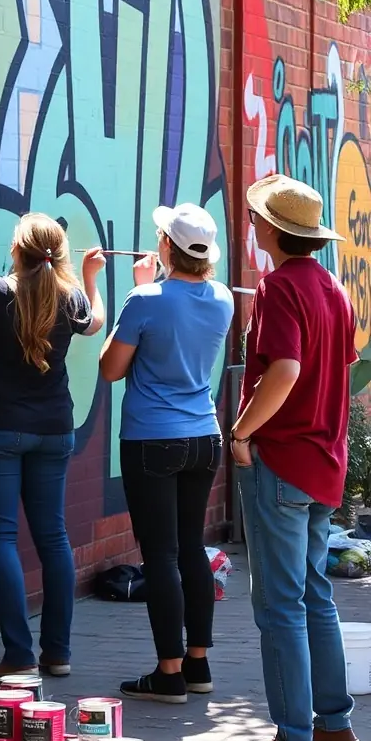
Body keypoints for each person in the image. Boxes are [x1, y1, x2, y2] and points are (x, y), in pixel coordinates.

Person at [231, 174, 361, 741]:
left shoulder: (279, 287)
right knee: (314, 597)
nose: (252, 224)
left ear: (274, 230)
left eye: (258, 217)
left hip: (283, 462)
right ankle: (333, 727)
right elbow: (338, 369)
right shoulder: (335, 288)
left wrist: (242, 432)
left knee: (280, 605)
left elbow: (284, 369)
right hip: (323, 464)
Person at [0, 208, 105, 678]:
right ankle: (57, 653)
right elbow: (96, 321)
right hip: (54, 429)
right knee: (53, 536)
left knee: (0, 537)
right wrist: (90, 276)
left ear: (15, 252)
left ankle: (18, 654)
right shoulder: (72, 299)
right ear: (58, 256)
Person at [99, 203, 233, 704]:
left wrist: (140, 290)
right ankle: (198, 664)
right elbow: (180, 311)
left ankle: (168, 673)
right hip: (204, 437)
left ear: (166, 247)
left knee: (160, 555)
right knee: (191, 547)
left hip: (152, 439)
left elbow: (111, 369)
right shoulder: (221, 297)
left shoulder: (144, 298)